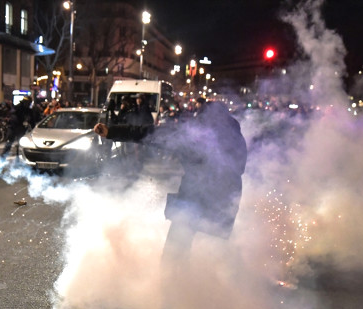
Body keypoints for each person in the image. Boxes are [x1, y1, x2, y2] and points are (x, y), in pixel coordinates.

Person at [94, 98, 248, 259]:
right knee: (209, 253)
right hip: (222, 203)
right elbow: (239, 168)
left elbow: (149, 134)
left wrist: (112, 131)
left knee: (177, 249)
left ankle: (175, 279)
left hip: (196, 201)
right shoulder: (235, 136)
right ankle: (205, 279)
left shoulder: (197, 136)